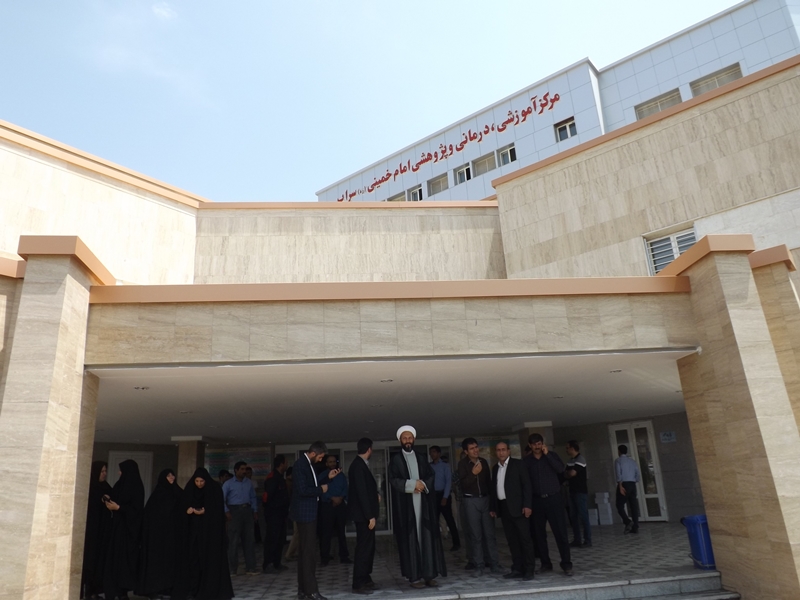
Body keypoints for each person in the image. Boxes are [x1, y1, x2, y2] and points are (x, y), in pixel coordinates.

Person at [389, 425, 447, 589]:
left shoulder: (421, 457)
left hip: (424, 505)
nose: (407, 440)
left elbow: (430, 475)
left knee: (427, 538)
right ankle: (414, 578)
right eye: (404, 438)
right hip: (406, 508)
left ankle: (429, 575)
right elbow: (393, 480)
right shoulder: (396, 460)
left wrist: (422, 485)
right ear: (400, 440)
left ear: (414, 439)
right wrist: (412, 485)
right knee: (410, 540)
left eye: (410, 438)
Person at [172, 468, 234, 600]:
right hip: (193, 534)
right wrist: (187, 511)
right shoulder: (190, 490)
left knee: (208, 561)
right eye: (197, 481)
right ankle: (193, 589)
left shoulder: (214, 490)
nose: (199, 484)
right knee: (193, 560)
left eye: (202, 481)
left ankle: (208, 589)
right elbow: (182, 509)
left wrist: (206, 512)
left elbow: (217, 512)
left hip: (209, 535)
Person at [290, 441, 340, 600]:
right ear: (313, 453)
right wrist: (321, 490)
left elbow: (312, 485)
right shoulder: (300, 465)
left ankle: (303, 589)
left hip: (309, 512)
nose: (321, 460)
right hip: (305, 513)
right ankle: (310, 591)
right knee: (309, 553)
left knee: (306, 552)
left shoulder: (308, 465)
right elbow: (303, 490)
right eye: (320, 457)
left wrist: (328, 479)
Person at [523, 433, 573, 576]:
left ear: (542, 444)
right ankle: (545, 564)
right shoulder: (526, 461)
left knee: (560, 532)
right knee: (539, 535)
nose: (537, 446)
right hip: (536, 500)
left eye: (539, 443)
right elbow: (525, 483)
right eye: (534, 444)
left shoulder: (552, 455)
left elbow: (560, 469)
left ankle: (566, 564)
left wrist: (548, 455)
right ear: (530, 445)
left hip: (553, 498)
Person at [489, 441, 535, 581]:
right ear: (495, 452)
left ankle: (529, 569)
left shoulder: (518, 464)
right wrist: (493, 507)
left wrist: (527, 505)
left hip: (519, 508)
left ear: (509, 451)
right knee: (512, 540)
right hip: (504, 508)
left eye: (503, 449)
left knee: (525, 539)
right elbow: (494, 489)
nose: (501, 452)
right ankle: (517, 568)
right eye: (498, 450)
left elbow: (527, 485)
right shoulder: (495, 468)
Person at [457, 438, 501, 577]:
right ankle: (478, 565)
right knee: (475, 535)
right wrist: (473, 474)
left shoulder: (483, 462)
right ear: (466, 451)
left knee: (490, 534)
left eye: (476, 447)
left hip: (485, 499)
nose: (475, 450)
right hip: (470, 500)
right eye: (472, 448)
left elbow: (489, 483)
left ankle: (494, 563)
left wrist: (493, 504)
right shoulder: (462, 464)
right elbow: (463, 485)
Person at [102, 459, 145, 600]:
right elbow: (114, 496)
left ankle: (123, 591)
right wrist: (108, 499)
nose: (119, 473)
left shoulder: (137, 487)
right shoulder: (119, 484)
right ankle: (113, 590)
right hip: (117, 528)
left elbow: (137, 510)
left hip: (129, 532)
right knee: (114, 559)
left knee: (125, 561)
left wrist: (119, 508)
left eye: (122, 470)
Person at [137, 468, 182, 598]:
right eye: (168, 476)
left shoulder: (177, 492)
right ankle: (155, 589)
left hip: (172, 536)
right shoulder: (158, 495)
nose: (171, 477)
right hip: (157, 538)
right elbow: (151, 516)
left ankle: (168, 587)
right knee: (157, 563)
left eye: (172, 475)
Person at [348, 437, 380, 595]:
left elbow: (366, 490)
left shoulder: (359, 465)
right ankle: (359, 582)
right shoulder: (358, 466)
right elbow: (361, 493)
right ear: (369, 449)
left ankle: (366, 578)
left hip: (364, 515)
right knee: (363, 549)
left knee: (368, 547)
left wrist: (375, 495)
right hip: (364, 516)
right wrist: (370, 516)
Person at [222, 461, 259, 576]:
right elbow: (222, 499)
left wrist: (255, 510)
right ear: (236, 470)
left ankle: (251, 568)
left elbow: (253, 497)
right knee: (233, 541)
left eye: (245, 469)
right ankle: (232, 568)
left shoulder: (248, 483)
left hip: (247, 510)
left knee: (249, 540)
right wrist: (226, 511)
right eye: (242, 469)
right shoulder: (228, 484)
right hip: (234, 511)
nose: (244, 471)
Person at [82, 461, 112, 599]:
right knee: (89, 559)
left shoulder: (106, 488)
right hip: (90, 531)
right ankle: (86, 591)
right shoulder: (89, 487)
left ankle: (94, 591)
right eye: (102, 471)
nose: (104, 474)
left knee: (99, 560)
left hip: (102, 531)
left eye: (105, 471)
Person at [318, 454, 351, 565]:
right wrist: (332, 498)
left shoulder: (341, 476)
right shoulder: (323, 476)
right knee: (326, 533)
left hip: (340, 505)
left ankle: (344, 556)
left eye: (334, 461)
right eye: (330, 462)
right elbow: (320, 490)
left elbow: (345, 488)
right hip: (327, 506)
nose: (332, 463)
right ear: (326, 463)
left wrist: (340, 498)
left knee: (341, 532)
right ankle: (325, 557)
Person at [262, 455, 290, 574]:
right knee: (272, 539)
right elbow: (267, 497)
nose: (287, 465)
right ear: (281, 464)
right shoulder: (272, 478)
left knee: (280, 539)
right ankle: (268, 564)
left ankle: (276, 563)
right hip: (274, 514)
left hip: (281, 514)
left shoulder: (280, 477)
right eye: (286, 463)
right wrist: (271, 511)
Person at [429, 446, 460, 551]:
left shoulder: (445, 466)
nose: (432, 454)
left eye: (434, 452)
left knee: (449, 520)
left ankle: (456, 543)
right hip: (433, 495)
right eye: (431, 452)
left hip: (443, 495)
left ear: (438, 453)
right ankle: (434, 543)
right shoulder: (429, 466)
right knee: (434, 520)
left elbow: (448, 482)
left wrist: (445, 497)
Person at [564, 440, 592, 547]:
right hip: (572, 490)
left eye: (567, 448)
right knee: (573, 516)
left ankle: (587, 540)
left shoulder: (580, 459)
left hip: (580, 491)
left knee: (583, 515)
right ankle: (577, 539)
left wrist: (568, 474)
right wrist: (568, 474)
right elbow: (565, 473)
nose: (566, 450)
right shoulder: (570, 461)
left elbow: (572, 473)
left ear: (572, 448)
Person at [615, 444, 641, 534]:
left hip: (624, 484)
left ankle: (627, 521)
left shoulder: (618, 461)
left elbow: (618, 473)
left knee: (619, 505)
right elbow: (637, 473)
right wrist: (635, 481)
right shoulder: (632, 461)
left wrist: (620, 485)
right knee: (633, 505)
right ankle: (635, 527)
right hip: (632, 484)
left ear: (619, 451)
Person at [246, 465, 262, 544]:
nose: (249, 474)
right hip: (245, 505)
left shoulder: (253, 482)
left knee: (255, 522)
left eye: (250, 473)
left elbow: (253, 493)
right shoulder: (243, 483)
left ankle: (257, 539)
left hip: (252, 504)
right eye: (247, 473)